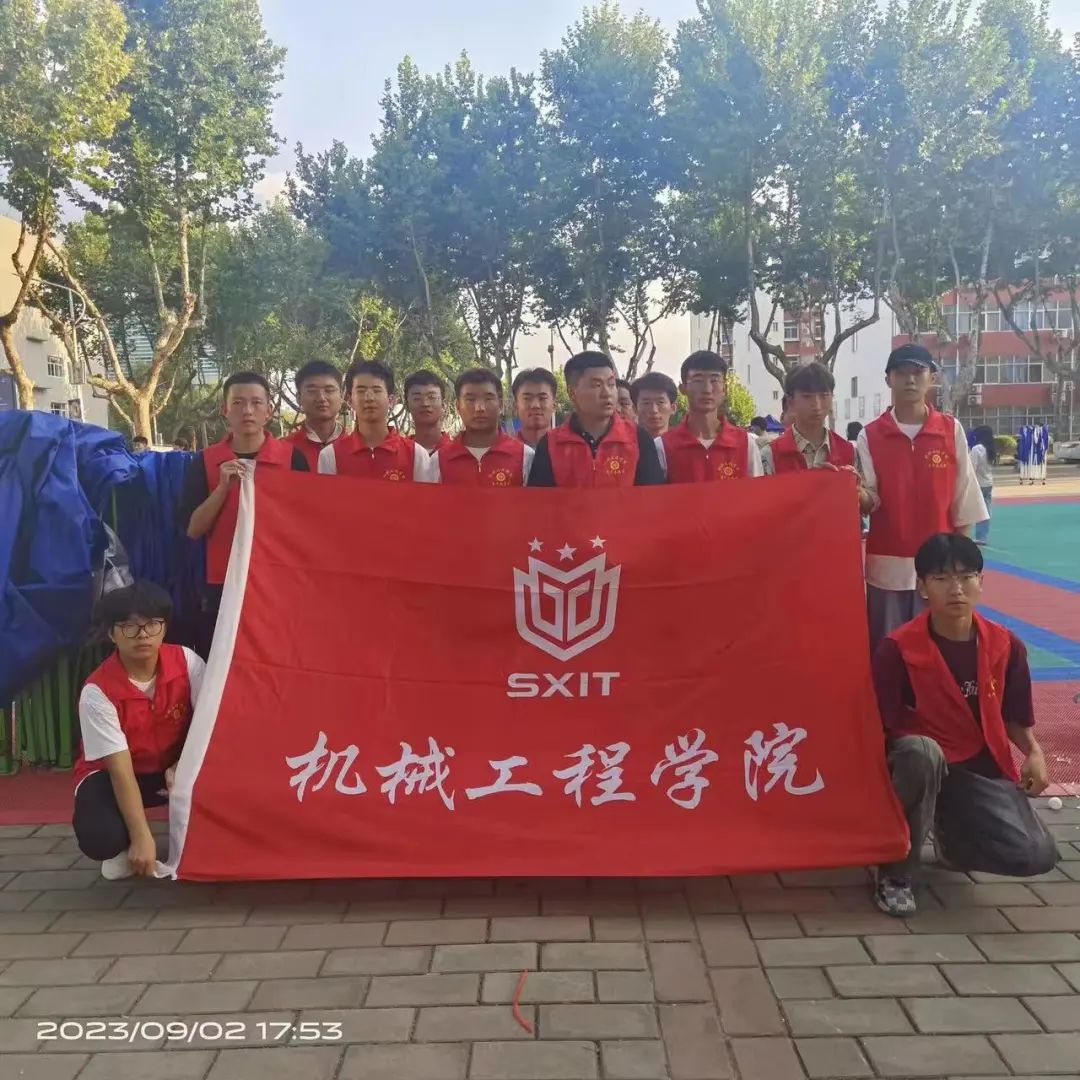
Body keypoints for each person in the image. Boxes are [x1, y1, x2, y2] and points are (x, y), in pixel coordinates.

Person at [871, 533, 1055, 916]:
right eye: (941, 579)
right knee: (921, 752)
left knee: (1035, 854)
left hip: (975, 769)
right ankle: (896, 873)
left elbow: (1015, 717)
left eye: (966, 576)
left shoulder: (1006, 646)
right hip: (919, 766)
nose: (956, 589)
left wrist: (1034, 753)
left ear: (981, 582)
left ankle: (952, 841)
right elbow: (879, 729)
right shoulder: (897, 650)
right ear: (922, 587)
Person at [857, 344, 987, 653]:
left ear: (932, 378)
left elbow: (963, 498)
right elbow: (870, 498)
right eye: (901, 373)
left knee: (941, 650)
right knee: (888, 651)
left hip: (940, 570)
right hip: (887, 569)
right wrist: (852, 491)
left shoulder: (950, 430)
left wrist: (958, 568)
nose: (910, 380)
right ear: (888, 379)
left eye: (918, 372)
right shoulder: (870, 435)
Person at [73, 581, 205, 880]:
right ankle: (123, 845)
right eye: (129, 627)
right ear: (112, 634)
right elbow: (120, 772)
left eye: (152, 624)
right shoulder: (97, 691)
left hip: (173, 765)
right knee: (100, 837)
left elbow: (211, 721)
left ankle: (201, 838)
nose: (143, 634)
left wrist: (182, 763)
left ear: (164, 628)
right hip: (114, 773)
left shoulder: (187, 662)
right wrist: (141, 835)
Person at [180, 373, 308, 650]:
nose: (247, 411)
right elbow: (194, 529)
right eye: (237, 403)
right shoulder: (205, 461)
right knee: (223, 658)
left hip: (278, 581)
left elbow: (306, 527)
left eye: (256, 403)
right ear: (224, 410)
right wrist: (222, 489)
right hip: (224, 582)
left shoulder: (292, 459)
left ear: (269, 410)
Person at [527, 351, 665, 487]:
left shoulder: (639, 439)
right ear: (572, 393)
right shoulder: (550, 444)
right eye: (597, 385)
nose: (607, 393)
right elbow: (540, 499)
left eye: (611, 384)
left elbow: (652, 497)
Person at [762, 365, 868, 513]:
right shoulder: (770, 454)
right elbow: (763, 508)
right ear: (791, 401)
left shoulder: (848, 451)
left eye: (824, 395)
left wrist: (856, 490)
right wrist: (808, 485)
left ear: (832, 398)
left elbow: (869, 504)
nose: (817, 405)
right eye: (807, 396)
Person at [658, 351, 764, 481]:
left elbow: (758, 492)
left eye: (714, 380)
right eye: (698, 380)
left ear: (725, 388)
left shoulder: (746, 444)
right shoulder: (663, 446)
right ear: (683, 388)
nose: (707, 389)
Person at [318, 359, 431, 481]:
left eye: (377, 390)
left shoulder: (417, 455)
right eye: (361, 391)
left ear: (391, 400)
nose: (369, 398)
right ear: (350, 400)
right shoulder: (330, 456)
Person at [429, 368, 534, 485]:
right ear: (458, 406)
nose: (479, 408)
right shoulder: (439, 460)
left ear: (500, 404)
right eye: (470, 400)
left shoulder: (525, 457)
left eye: (488, 399)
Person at [288, 360, 345, 469]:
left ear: (341, 396)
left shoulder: (359, 450)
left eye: (329, 390)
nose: (321, 398)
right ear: (298, 398)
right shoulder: (284, 449)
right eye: (312, 391)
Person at [404, 370, 450, 453]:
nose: (425, 404)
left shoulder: (459, 453)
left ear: (443, 404)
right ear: (407, 405)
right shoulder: (397, 453)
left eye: (431, 397)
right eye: (417, 398)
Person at [512, 367, 558, 448]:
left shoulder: (570, 449)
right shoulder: (503, 451)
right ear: (515, 406)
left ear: (554, 405)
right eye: (527, 398)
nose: (535, 405)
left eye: (542, 398)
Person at [969, 425, 997, 544]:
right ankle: (982, 536)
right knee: (986, 510)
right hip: (988, 482)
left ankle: (979, 536)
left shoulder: (977, 449)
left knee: (977, 510)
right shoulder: (991, 449)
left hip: (978, 483)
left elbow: (971, 467)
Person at [631, 372, 677, 439]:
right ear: (635, 409)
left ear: (673, 408)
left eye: (660, 402)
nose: (654, 410)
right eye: (646, 403)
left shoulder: (684, 444)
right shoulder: (625, 443)